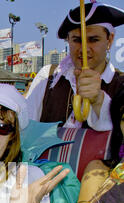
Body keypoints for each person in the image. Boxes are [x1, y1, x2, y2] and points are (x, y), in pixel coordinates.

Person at [26, 2, 124, 131]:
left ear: (110, 40)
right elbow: (24, 128)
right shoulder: (48, 76)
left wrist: (99, 101)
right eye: (77, 40)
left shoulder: (121, 85)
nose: (84, 49)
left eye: (94, 40)